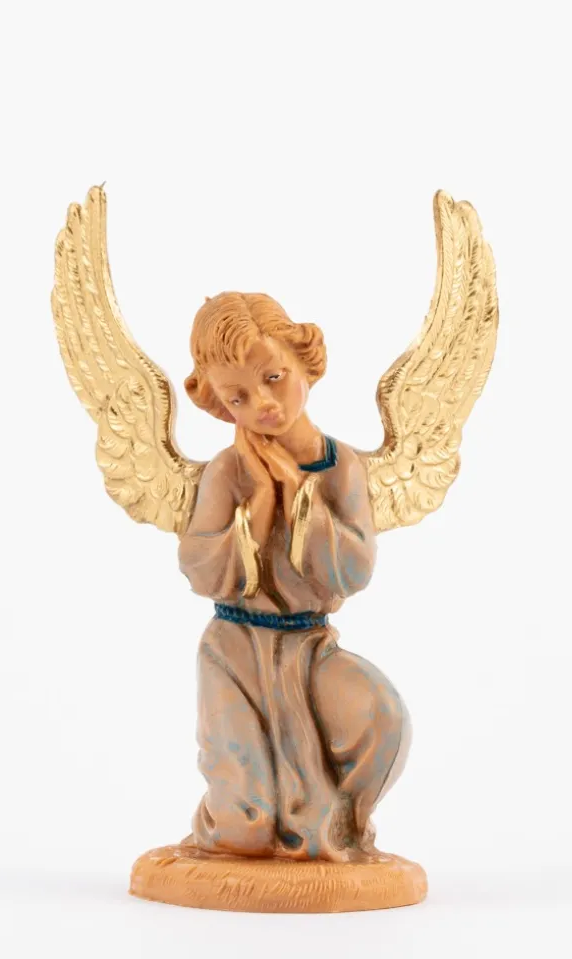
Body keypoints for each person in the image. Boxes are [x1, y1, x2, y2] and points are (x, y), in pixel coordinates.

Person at [178, 292, 410, 862]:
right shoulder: (227, 472)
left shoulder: (341, 466)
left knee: (381, 718)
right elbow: (201, 568)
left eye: (273, 378)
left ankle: (341, 829)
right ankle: (232, 822)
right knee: (246, 825)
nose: (262, 404)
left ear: (304, 364)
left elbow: (354, 569)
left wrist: (301, 493)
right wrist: (260, 501)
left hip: (309, 647)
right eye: (237, 397)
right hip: (233, 652)